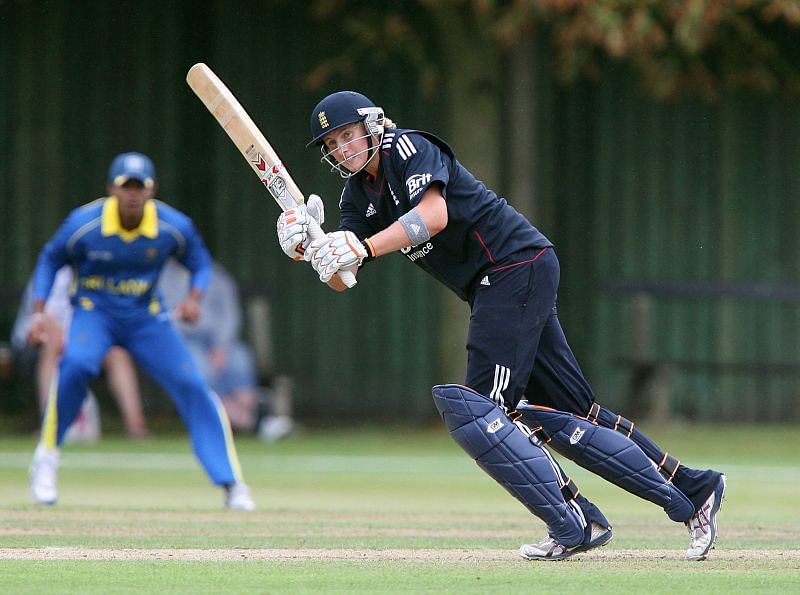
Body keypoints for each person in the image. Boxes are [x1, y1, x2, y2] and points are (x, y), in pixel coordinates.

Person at [276, 91, 726, 561]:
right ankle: (696, 491)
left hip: (512, 265)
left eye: (347, 135)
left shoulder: (407, 149)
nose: (342, 148)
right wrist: (312, 248)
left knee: (482, 410)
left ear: (372, 125)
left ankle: (576, 521)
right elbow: (343, 280)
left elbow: (433, 216)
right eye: (332, 143)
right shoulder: (356, 194)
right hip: (504, 278)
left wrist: (362, 248)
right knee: (574, 413)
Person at [27, 151, 255, 510]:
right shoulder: (84, 224)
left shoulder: (172, 226)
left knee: (192, 382)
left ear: (152, 190)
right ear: (111, 189)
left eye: (140, 187)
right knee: (78, 365)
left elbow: (199, 262)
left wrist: (195, 298)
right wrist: (39, 313)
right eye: (125, 186)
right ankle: (47, 456)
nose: (132, 194)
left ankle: (231, 483)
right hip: (93, 312)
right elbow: (50, 259)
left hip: (146, 317)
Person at [12, 265, 149, 440]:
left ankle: (136, 427)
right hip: (37, 341)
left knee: (117, 352)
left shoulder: (102, 274)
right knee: (53, 344)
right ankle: (48, 425)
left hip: (83, 340)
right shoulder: (53, 272)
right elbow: (46, 319)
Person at [157, 258, 260, 433]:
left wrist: (221, 344)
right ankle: (224, 413)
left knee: (239, 357)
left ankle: (248, 413)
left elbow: (229, 312)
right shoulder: (162, 275)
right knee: (198, 361)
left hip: (216, 339)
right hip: (184, 338)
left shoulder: (214, 272)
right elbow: (163, 317)